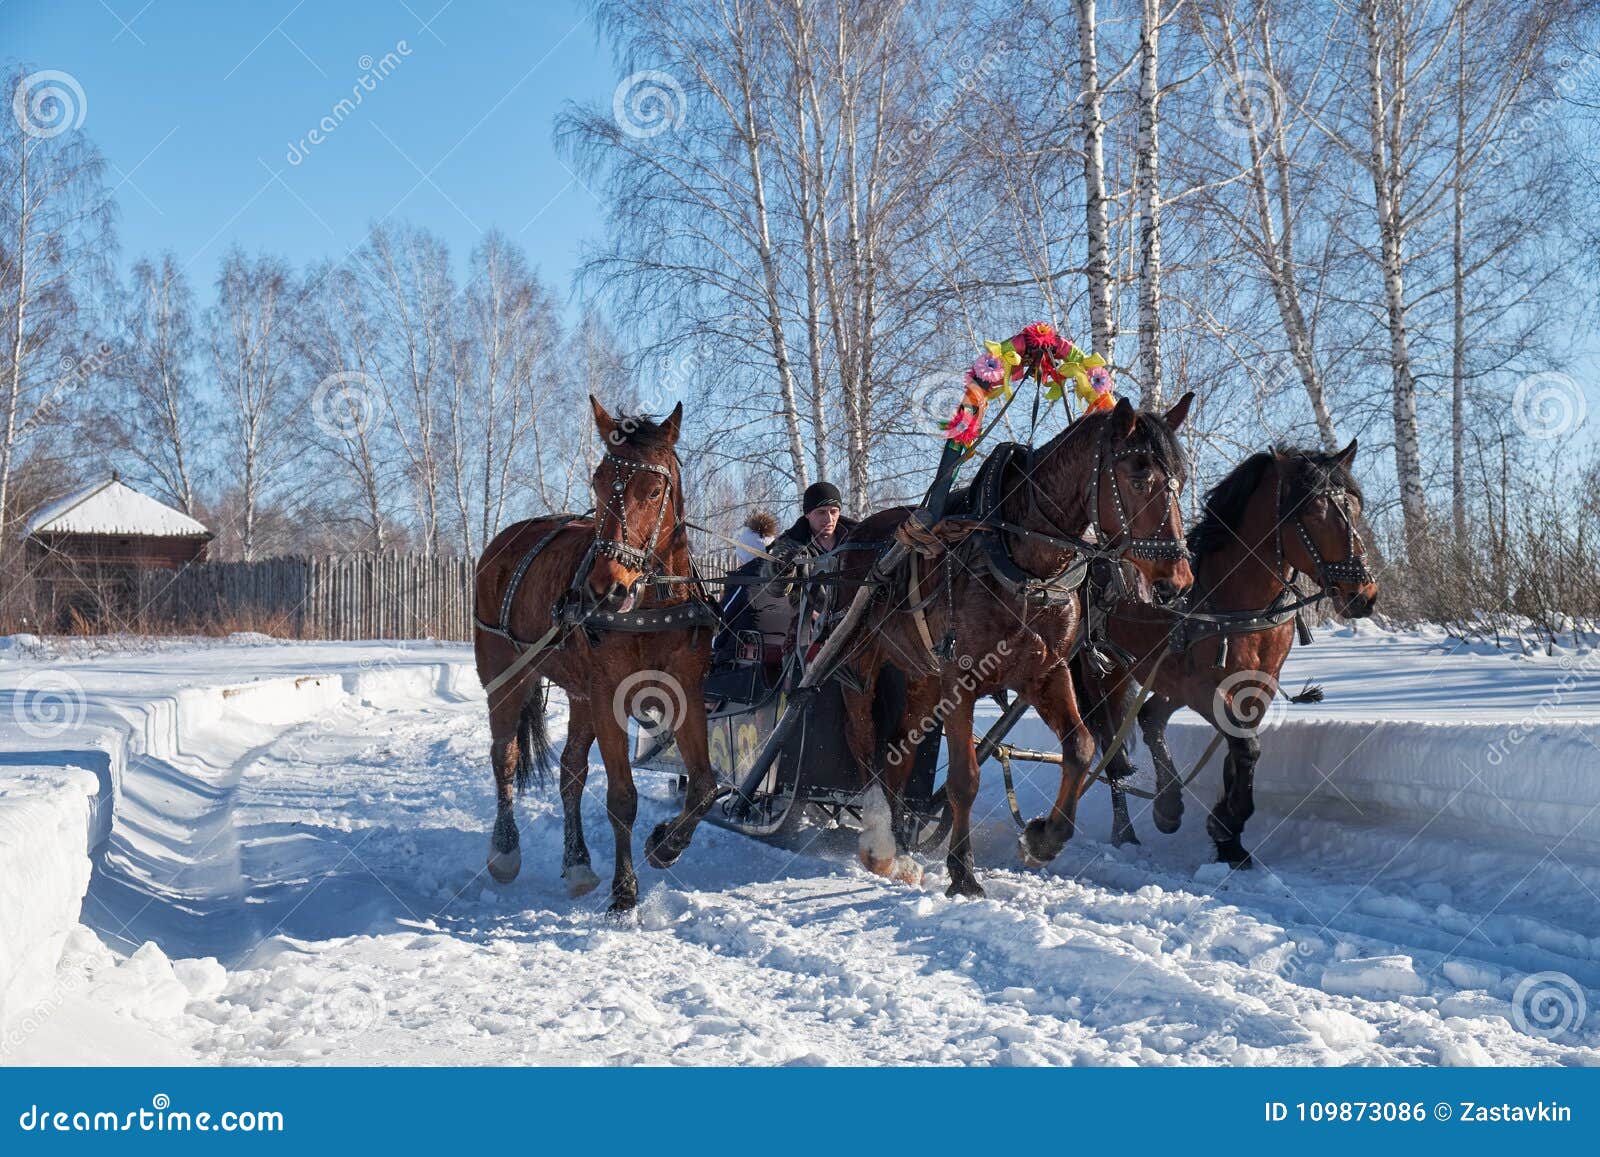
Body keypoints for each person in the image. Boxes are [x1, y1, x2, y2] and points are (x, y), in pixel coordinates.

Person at [714, 482, 855, 665]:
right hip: (811, 630)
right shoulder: (789, 545)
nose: (828, 518)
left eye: (833, 511)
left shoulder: (858, 541)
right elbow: (776, 588)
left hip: (855, 623)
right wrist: (783, 569)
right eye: (821, 512)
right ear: (807, 514)